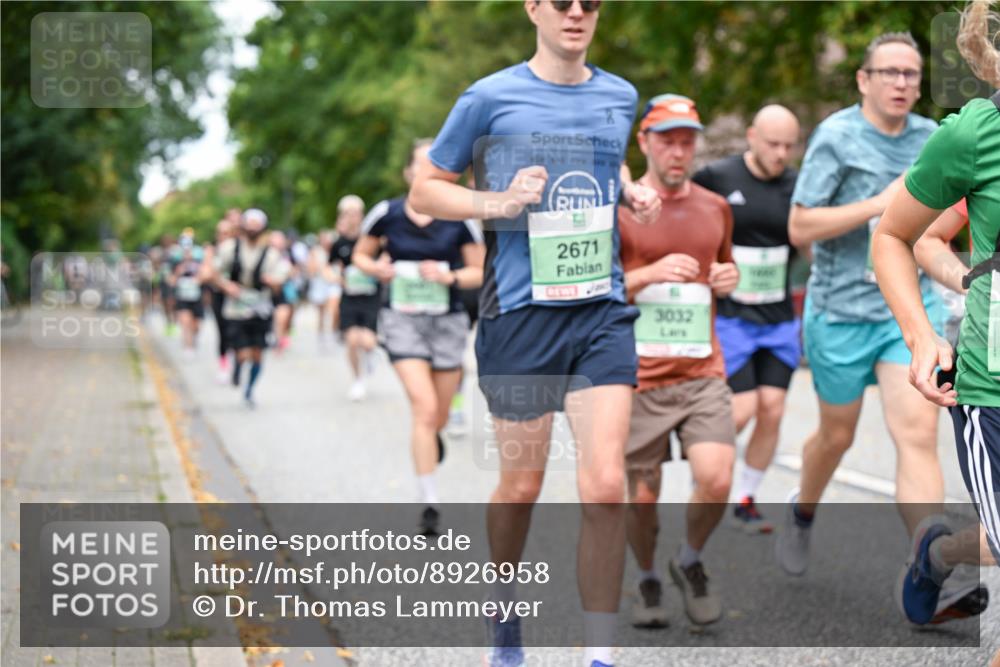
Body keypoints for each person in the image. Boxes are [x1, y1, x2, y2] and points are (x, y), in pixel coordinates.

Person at [409, 1, 659, 664]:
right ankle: (502, 607)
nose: (578, 12)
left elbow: (603, 157)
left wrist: (629, 189)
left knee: (606, 483)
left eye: (592, 2)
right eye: (563, 1)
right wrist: (496, 201)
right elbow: (426, 190)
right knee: (521, 485)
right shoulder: (488, 97)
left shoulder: (620, 94)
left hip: (601, 311)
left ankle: (599, 654)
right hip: (518, 316)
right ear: (534, 9)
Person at [774, 30, 986, 623]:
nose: (901, 84)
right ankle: (804, 509)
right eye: (889, 73)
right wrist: (879, 206)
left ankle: (929, 564)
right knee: (835, 437)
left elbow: (943, 227)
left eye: (911, 75)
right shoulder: (837, 137)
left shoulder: (935, 138)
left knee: (915, 432)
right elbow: (799, 228)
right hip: (840, 312)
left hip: (907, 313)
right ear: (864, 80)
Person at [872, 0, 998, 629]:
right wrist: (922, 335)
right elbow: (901, 236)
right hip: (992, 386)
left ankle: (939, 552)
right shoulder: (975, 133)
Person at [619, 94, 739, 627]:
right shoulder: (618, 208)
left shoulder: (715, 207)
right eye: (666, 139)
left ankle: (687, 560)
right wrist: (646, 274)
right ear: (644, 142)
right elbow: (593, 291)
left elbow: (725, 270)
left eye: (687, 140)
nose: (678, 150)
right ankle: (646, 577)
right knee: (642, 499)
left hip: (700, 371)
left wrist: (726, 280)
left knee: (716, 477)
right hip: (638, 378)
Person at [353, 140, 484, 532]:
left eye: (440, 167)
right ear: (409, 173)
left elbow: (480, 271)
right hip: (402, 321)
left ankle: (432, 437)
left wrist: (451, 277)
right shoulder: (387, 214)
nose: (430, 173)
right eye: (422, 166)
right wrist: (377, 269)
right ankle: (429, 500)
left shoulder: (462, 219)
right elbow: (360, 255)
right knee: (424, 407)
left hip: (447, 322)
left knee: (439, 414)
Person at [693, 105, 801, 533]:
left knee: (772, 410)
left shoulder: (799, 184)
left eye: (789, 146)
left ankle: (745, 498)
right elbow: (683, 211)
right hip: (732, 316)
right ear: (751, 136)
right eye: (773, 144)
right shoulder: (718, 176)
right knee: (742, 409)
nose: (781, 154)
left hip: (777, 317)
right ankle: (708, 480)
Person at [211, 209, 288, 408]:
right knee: (243, 352)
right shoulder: (230, 248)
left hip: (260, 306)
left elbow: (281, 277)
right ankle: (237, 365)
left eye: (257, 224)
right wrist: (227, 286)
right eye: (250, 224)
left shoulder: (271, 254)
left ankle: (249, 390)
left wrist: (273, 281)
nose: (253, 228)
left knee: (257, 354)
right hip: (236, 308)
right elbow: (214, 271)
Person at [330, 195, 381, 401]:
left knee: (368, 342)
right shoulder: (339, 243)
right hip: (349, 296)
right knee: (352, 340)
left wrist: (376, 268)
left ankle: (370, 354)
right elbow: (329, 265)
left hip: (371, 296)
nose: (353, 217)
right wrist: (335, 277)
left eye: (357, 213)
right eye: (348, 213)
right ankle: (357, 380)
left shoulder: (372, 239)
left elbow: (386, 257)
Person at [204, 218, 237, 382]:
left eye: (227, 232)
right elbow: (207, 274)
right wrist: (223, 284)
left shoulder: (238, 249)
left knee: (236, 330)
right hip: (219, 294)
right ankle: (224, 364)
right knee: (222, 330)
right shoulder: (212, 251)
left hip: (236, 296)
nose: (223, 236)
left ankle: (237, 361)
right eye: (221, 233)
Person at [169, 230, 205, 358]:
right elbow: (171, 280)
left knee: (196, 325)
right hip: (182, 296)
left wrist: (199, 278)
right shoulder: (175, 260)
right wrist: (179, 272)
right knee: (185, 322)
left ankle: (193, 340)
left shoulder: (200, 258)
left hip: (196, 296)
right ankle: (188, 348)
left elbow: (206, 274)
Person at [307, 230, 339, 351]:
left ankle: (332, 334)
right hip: (320, 284)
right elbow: (311, 270)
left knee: (334, 310)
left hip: (333, 284)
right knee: (321, 314)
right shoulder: (316, 252)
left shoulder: (336, 251)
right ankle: (321, 336)